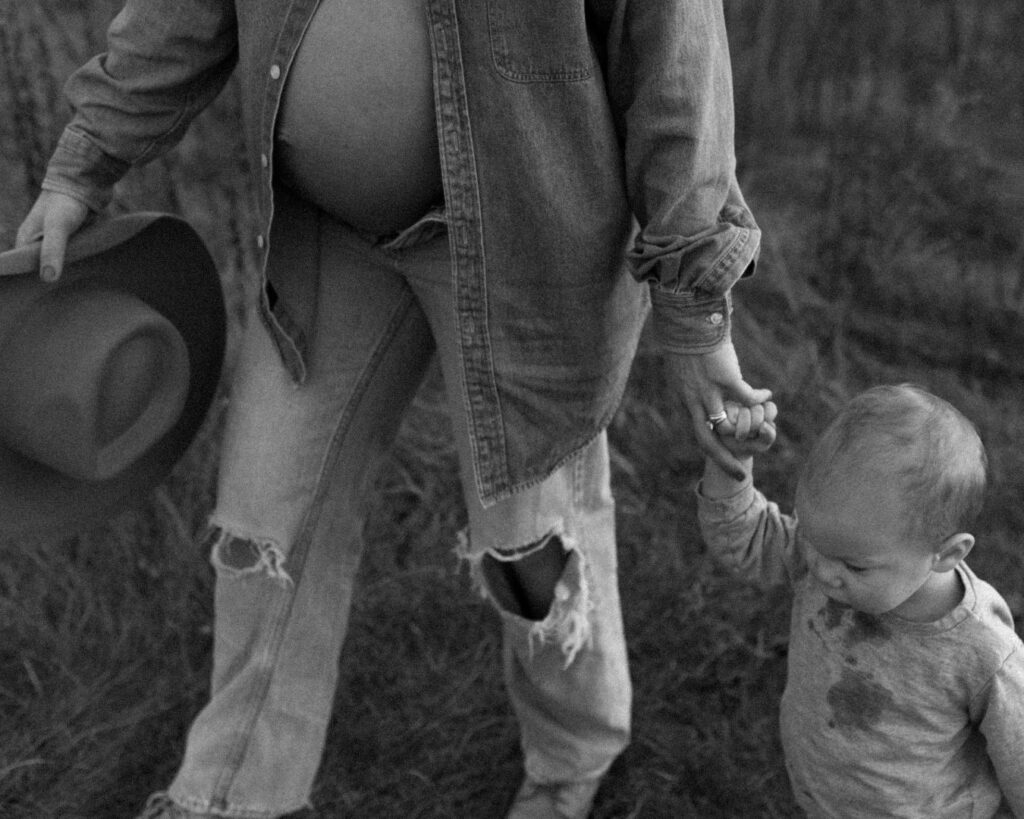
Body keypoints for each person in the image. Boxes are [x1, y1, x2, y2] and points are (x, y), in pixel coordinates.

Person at [15, 1, 771, 817]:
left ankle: (570, 758)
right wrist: (82, 163)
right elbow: (184, 12)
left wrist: (697, 314)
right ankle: (231, 794)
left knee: (526, 552)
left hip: (524, 254)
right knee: (264, 526)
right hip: (328, 237)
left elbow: (676, 69)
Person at [698, 384, 1024, 817]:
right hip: (824, 800)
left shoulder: (981, 651)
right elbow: (741, 539)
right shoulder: (826, 554)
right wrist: (731, 461)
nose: (823, 571)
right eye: (813, 541)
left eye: (855, 567)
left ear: (946, 555)